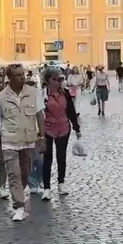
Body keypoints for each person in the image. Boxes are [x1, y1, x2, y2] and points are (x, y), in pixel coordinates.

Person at [0, 64, 44, 222]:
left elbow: (40, 116)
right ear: (10, 78)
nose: (22, 77)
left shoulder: (34, 93)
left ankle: (21, 192)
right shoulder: (1, 97)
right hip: (10, 141)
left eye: (23, 74)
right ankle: (19, 206)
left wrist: (42, 137)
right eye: (18, 75)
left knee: (26, 173)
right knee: (14, 174)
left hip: (28, 141)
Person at [40, 68, 81, 199]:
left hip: (63, 127)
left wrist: (76, 127)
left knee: (61, 156)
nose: (60, 82)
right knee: (47, 158)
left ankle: (61, 183)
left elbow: (71, 110)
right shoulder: (42, 95)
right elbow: (38, 113)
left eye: (61, 79)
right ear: (49, 80)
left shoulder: (65, 93)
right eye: (57, 79)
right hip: (47, 129)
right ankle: (46, 188)